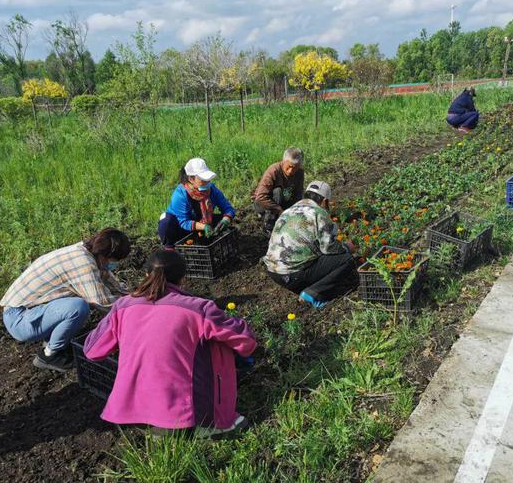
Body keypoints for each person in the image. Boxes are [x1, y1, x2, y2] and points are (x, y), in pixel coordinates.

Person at [83, 250, 257, 437]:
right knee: (217, 343)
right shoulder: (199, 308)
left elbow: (92, 350)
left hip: (129, 414)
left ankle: (150, 419)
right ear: (182, 278)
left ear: (147, 274)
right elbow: (246, 341)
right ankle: (210, 422)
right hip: (181, 416)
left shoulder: (123, 306)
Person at [0, 228, 131, 372]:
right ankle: (49, 355)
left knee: (82, 298)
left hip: (33, 311)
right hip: (19, 318)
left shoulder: (88, 253)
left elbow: (111, 282)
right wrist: (131, 321)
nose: (115, 264)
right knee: (79, 307)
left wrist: (134, 298)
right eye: (115, 260)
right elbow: (103, 301)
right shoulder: (82, 263)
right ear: (106, 255)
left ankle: (54, 340)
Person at [263, 180, 359, 309]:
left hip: (273, 272)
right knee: (346, 259)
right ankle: (312, 294)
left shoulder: (288, 211)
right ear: (325, 201)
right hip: (292, 275)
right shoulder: (319, 213)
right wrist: (347, 247)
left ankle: (305, 286)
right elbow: (328, 248)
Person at [158, 158, 236, 248]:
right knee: (166, 221)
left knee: (221, 221)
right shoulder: (180, 195)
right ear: (191, 179)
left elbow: (228, 208)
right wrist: (204, 227)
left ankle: (207, 239)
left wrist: (226, 219)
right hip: (181, 228)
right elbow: (184, 222)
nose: (207, 183)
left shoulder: (212, 189)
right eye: (203, 180)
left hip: (202, 220)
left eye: (208, 180)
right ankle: (170, 248)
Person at [252, 147, 305, 235]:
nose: (291, 171)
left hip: (283, 198)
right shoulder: (273, 171)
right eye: (289, 167)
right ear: (283, 161)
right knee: (278, 191)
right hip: (262, 203)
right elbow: (261, 197)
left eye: (295, 168)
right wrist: (279, 209)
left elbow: (298, 194)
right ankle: (269, 225)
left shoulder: (299, 172)